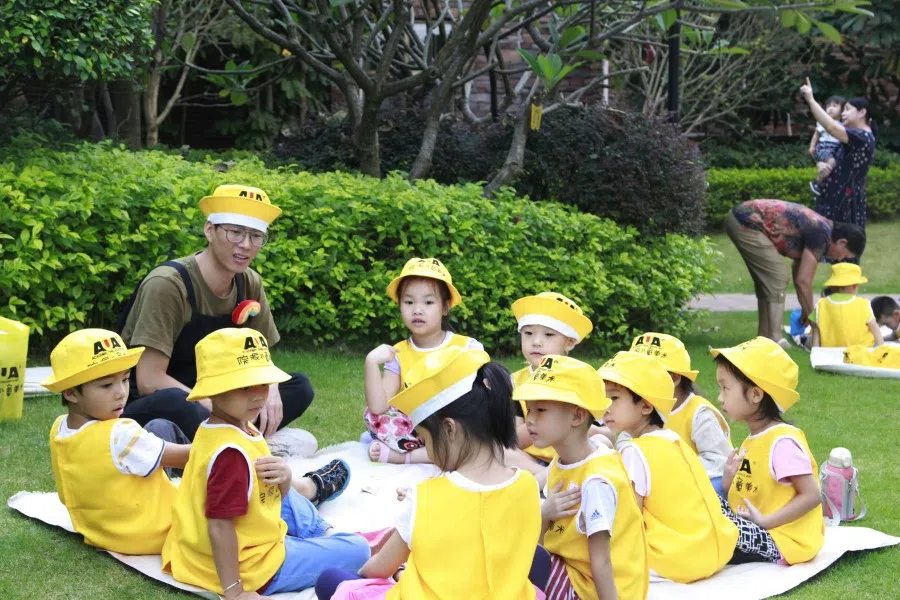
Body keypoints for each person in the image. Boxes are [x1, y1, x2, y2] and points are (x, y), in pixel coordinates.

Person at [315, 346, 547, 600]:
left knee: (333, 580)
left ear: (449, 429)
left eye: (425, 440)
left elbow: (380, 568)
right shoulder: (527, 485)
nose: (428, 451)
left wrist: (380, 572)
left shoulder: (422, 497)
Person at [162, 328, 368, 597]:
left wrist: (283, 479)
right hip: (253, 568)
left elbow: (260, 494)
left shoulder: (223, 427)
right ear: (214, 389)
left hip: (199, 553)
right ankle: (324, 535)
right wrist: (235, 591)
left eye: (262, 383)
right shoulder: (230, 454)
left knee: (285, 487)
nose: (258, 395)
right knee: (359, 549)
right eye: (244, 386)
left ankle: (321, 530)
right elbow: (219, 525)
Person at [118, 184, 314, 447]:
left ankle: (218, 439)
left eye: (256, 236)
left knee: (299, 386)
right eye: (235, 233)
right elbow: (149, 381)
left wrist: (271, 388)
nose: (245, 245)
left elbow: (259, 361)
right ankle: (226, 438)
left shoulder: (250, 283)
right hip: (160, 400)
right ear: (209, 230)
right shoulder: (168, 284)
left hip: (220, 396)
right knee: (176, 403)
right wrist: (222, 411)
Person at [42, 329, 190, 555]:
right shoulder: (120, 434)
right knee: (171, 433)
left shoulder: (59, 428)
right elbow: (190, 457)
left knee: (158, 428)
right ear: (71, 393)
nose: (121, 393)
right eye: (106, 385)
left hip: (100, 532)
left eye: (125, 379)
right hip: (156, 531)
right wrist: (225, 438)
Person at [514, 355, 648, 600]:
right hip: (573, 574)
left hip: (591, 590)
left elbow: (602, 562)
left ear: (577, 417)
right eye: (529, 410)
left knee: (518, 559)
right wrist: (544, 515)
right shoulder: (564, 460)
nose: (530, 420)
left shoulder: (596, 481)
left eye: (541, 410)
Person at [599, 351, 737, 583]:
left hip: (678, 559)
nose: (606, 408)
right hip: (715, 550)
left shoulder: (634, 450)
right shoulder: (672, 438)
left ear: (645, 406)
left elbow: (630, 517)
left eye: (614, 398)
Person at [711, 337, 824, 565]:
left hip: (780, 538)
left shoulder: (782, 443)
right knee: (702, 501)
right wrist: (726, 483)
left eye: (725, 388)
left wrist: (767, 521)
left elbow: (812, 495)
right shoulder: (754, 439)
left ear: (755, 395)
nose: (719, 397)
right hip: (754, 528)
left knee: (717, 530)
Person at [363, 257, 483, 464]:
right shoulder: (398, 353)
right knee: (375, 419)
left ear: (445, 307)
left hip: (456, 428)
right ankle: (428, 453)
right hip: (418, 431)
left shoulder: (467, 347)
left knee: (473, 429)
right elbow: (378, 407)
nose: (417, 310)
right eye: (409, 302)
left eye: (428, 302)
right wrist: (371, 362)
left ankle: (401, 457)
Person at [505, 292, 613, 486]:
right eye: (528, 333)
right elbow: (514, 440)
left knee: (603, 442)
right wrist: (547, 427)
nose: (536, 341)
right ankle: (548, 476)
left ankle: (546, 481)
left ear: (569, 342)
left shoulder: (580, 377)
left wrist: (571, 430)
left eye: (549, 335)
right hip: (532, 461)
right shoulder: (514, 381)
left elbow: (607, 431)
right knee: (500, 451)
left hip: (575, 455)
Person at [726, 199, 866, 342]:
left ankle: (763, 339)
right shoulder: (821, 234)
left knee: (768, 283)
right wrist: (814, 319)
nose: (839, 259)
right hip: (744, 221)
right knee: (777, 277)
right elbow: (803, 281)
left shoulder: (822, 230)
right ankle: (775, 340)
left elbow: (799, 272)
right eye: (844, 255)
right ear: (842, 242)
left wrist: (806, 310)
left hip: (740, 217)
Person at [629, 333, 732, 495]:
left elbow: (719, 462)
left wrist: (671, 471)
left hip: (694, 492)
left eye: (646, 374)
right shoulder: (638, 408)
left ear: (674, 378)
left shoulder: (699, 414)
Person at [800, 78, 875, 229]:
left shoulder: (862, 137)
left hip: (844, 206)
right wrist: (820, 165)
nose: (843, 114)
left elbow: (830, 127)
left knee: (840, 248)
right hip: (831, 200)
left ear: (862, 112)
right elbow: (827, 152)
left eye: (847, 109)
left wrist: (811, 100)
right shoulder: (851, 137)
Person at [810, 263, 883, 348]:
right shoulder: (863, 304)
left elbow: (816, 331)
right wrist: (882, 349)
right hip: (861, 352)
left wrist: (816, 351)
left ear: (832, 286)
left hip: (829, 352)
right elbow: (876, 331)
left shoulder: (821, 305)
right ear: (854, 286)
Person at [807, 95, 846, 196]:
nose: (830, 108)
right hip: (825, 147)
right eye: (828, 106)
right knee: (832, 162)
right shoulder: (822, 122)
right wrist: (812, 146)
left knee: (830, 166)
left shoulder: (843, 124)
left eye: (835, 106)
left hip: (835, 148)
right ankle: (817, 182)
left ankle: (823, 179)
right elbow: (816, 135)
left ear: (842, 110)